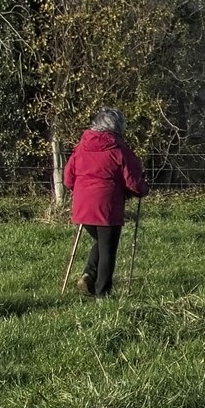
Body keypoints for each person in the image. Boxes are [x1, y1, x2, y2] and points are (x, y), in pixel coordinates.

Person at [64, 107, 148, 297]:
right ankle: (103, 293)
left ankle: (88, 274)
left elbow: (68, 179)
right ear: (118, 127)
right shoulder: (120, 151)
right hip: (107, 208)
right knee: (108, 249)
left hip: (82, 207)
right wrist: (144, 189)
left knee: (102, 243)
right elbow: (134, 184)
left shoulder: (80, 148)